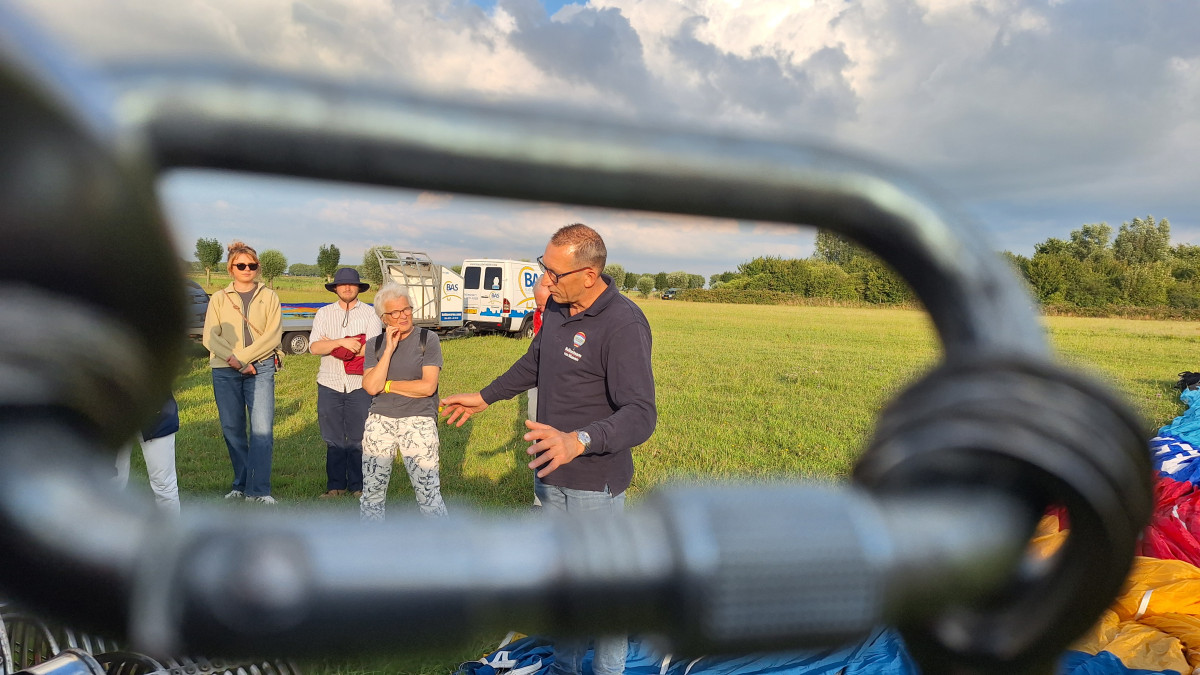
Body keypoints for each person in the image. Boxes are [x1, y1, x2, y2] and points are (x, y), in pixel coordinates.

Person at [441, 223, 656, 675]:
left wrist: (579, 440)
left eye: (554, 273)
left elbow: (641, 414)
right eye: (545, 267)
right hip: (548, 472)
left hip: (593, 485)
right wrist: (485, 397)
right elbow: (535, 362)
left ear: (590, 275)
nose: (545, 281)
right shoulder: (558, 307)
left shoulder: (624, 324)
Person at [202, 240, 283, 505]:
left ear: (258, 268)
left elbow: (272, 336)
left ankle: (259, 490)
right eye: (241, 265)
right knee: (232, 428)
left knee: (262, 430)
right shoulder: (218, 298)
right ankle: (242, 483)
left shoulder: (270, 297)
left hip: (261, 367)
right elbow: (210, 337)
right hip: (225, 369)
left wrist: (244, 359)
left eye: (252, 265)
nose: (247, 269)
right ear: (231, 269)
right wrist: (236, 361)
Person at [360, 284, 448, 520]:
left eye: (406, 309)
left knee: (428, 494)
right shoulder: (375, 345)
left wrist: (387, 385)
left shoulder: (428, 339)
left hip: (419, 420)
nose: (403, 316)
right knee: (371, 494)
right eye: (395, 312)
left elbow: (427, 387)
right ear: (383, 318)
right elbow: (371, 387)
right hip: (380, 420)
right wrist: (389, 349)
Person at [308, 268, 383, 499]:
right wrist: (343, 342)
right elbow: (314, 348)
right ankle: (336, 486)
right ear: (335, 288)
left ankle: (359, 486)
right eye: (342, 284)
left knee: (359, 438)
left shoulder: (371, 314)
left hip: (360, 383)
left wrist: (331, 344)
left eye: (351, 284)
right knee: (333, 439)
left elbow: (372, 349)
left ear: (358, 288)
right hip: (329, 383)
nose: (347, 288)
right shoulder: (323, 313)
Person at [113, 393, 181, 515]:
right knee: (114, 482)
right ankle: (110, 525)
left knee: (164, 484)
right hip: (115, 417)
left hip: (157, 416)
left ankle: (171, 526)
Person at [527, 281, 552, 508]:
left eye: (543, 304)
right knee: (537, 430)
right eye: (537, 305)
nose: (540, 309)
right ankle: (540, 497)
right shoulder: (539, 315)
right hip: (538, 381)